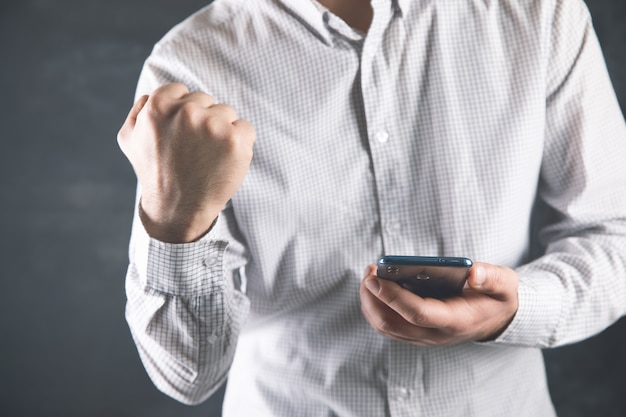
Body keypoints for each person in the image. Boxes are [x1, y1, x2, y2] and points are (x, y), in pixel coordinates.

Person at [117, 0, 626, 415]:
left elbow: (614, 232)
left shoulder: (543, 13)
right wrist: (177, 217)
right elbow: (188, 373)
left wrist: (515, 309)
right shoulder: (188, 69)